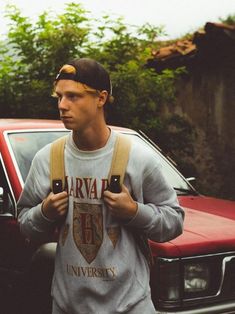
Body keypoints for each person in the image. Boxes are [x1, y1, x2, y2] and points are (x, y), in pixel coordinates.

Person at [18, 57, 184, 314]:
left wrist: (134, 212)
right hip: (67, 307)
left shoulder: (138, 159)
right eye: (59, 97)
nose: (62, 105)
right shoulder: (47, 159)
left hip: (130, 307)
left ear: (101, 98)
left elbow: (174, 222)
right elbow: (25, 225)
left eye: (73, 96)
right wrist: (44, 212)